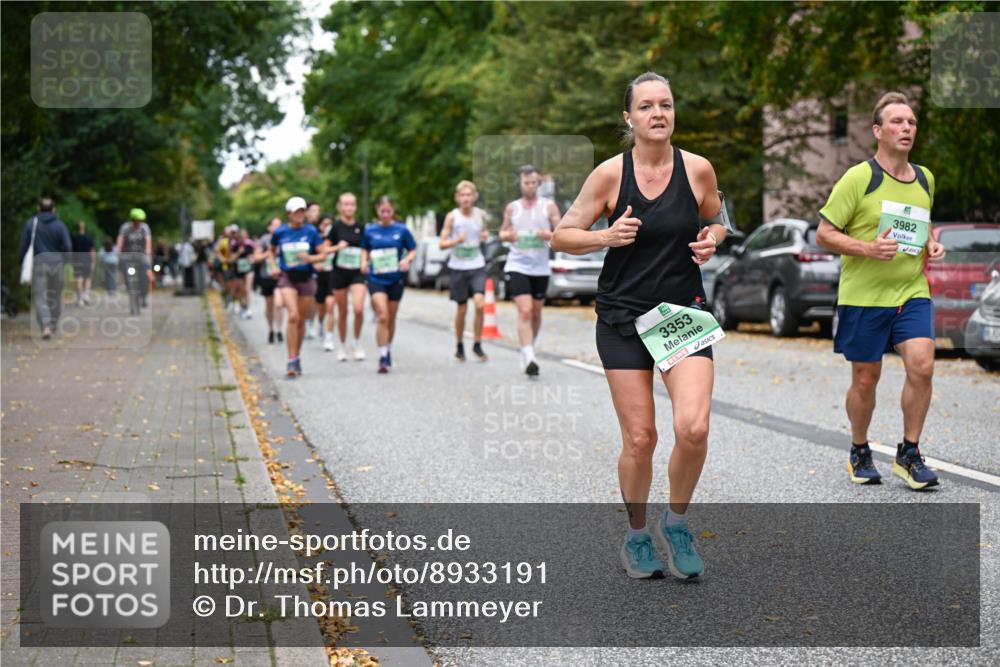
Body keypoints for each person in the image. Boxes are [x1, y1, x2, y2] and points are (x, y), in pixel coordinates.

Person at [552, 72, 727, 579]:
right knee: (640, 438)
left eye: (665, 105)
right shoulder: (609, 174)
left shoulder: (697, 170)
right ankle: (636, 536)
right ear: (628, 117)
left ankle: (677, 524)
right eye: (646, 106)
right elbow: (562, 236)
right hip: (623, 317)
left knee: (693, 427)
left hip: (682, 315)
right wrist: (605, 237)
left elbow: (718, 218)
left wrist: (712, 239)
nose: (658, 114)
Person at [816, 92, 946, 491]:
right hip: (864, 296)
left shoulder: (925, 178)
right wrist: (867, 248)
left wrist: (931, 243)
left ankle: (909, 452)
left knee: (922, 365)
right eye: (897, 122)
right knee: (865, 379)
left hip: (911, 291)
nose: (906, 128)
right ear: (878, 130)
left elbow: (920, 223)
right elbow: (824, 233)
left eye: (911, 122)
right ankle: (859, 448)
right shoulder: (859, 178)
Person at [501, 165, 561, 376]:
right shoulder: (512, 208)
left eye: (534, 182)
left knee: (536, 312)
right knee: (525, 310)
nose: (530, 186)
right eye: (526, 182)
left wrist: (548, 235)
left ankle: (528, 348)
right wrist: (509, 236)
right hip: (517, 264)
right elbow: (503, 232)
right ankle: (529, 356)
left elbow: (561, 233)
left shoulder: (549, 207)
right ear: (520, 184)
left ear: (538, 184)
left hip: (540, 267)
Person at [271, 197, 329, 377]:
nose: (300, 214)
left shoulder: (311, 231)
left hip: (306, 278)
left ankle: (297, 356)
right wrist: (273, 266)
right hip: (287, 277)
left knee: (301, 319)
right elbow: (271, 252)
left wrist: (310, 258)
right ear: (289, 213)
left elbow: (323, 254)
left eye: (302, 211)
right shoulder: (280, 232)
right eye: (296, 211)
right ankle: (290, 360)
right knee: (293, 316)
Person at [361, 196, 416, 374]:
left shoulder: (402, 230)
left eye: (388, 211)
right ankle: (382, 356)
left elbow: (412, 249)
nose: (385, 214)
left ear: (393, 211)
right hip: (376, 278)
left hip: (395, 278)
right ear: (377, 211)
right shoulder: (370, 230)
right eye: (382, 211)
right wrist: (363, 261)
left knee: (391, 318)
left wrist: (407, 260)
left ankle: (388, 347)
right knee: (383, 316)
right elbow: (365, 249)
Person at [439, 180, 490, 361]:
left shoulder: (480, 215)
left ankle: (477, 344)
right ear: (457, 198)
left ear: (474, 197)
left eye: (469, 195)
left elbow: (484, 234)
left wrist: (484, 236)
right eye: (462, 195)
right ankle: (459, 345)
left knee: (480, 304)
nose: (466, 198)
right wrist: (456, 241)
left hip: (477, 265)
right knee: (462, 309)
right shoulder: (452, 217)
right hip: (458, 267)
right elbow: (441, 244)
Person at [18, 196, 72, 338]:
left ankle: (46, 325)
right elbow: (67, 246)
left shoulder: (31, 224)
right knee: (55, 295)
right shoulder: (60, 225)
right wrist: (66, 261)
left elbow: (24, 246)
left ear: (38, 208)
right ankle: (52, 324)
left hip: (39, 263)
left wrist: (21, 262)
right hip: (57, 264)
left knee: (40, 295)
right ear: (54, 209)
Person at [324, 194, 368, 361]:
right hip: (340, 272)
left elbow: (365, 248)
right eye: (346, 204)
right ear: (340, 207)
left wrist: (364, 261)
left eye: (352, 204)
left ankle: (357, 343)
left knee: (358, 308)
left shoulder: (361, 227)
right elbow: (325, 249)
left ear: (355, 207)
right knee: (343, 312)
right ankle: (342, 346)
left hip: (357, 272)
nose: (349, 207)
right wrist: (337, 247)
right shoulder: (335, 227)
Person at [254, 217, 285, 344]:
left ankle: (279, 329)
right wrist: (268, 254)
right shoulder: (264, 240)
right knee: (269, 305)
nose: (277, 227)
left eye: (279, 225)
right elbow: (256, 257)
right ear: (269, 227)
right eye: (274, 225)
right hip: (266, 276)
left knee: (279, 304)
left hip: (281, 277)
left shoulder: (285, 238)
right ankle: (271, 329)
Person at [116, 208, 153, 312]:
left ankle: (144, 295)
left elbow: (148, 240)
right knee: (126, 272)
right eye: (137, 221)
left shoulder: (144, 228)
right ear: (132, 220)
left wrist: (148, 251)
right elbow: (120, 239)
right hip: (128, 256)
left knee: (145, 274)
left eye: (140, 221)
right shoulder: (125, 228)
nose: (138, 223)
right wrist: (118, 250)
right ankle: (128, 287)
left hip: (141, 256)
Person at [314, 213, 336, 350]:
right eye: (325, 224)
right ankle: (321, 323)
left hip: (333, 277)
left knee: (330, 306)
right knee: (321, 309)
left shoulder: (337, 239)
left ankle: (329, 337)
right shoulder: (316, 240)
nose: (327, 227)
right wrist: (315, 264)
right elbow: (310, 256)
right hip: (319, 277)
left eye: (330, 225)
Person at [70, 221, 96, 306]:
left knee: (79, 278)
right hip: (87, 259)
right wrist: (93, 262)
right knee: (88, 278)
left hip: (77, 259)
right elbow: (92, 250)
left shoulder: (73, 237)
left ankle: (80, 298)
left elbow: (71, 249)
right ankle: (86, 296)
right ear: (84, 228)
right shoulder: (88, 237)